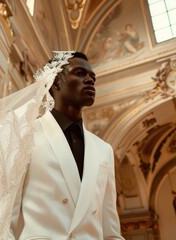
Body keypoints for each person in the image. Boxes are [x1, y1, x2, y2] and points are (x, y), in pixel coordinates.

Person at [9, 52, 124, 239]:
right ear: (55, 82)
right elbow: (6, 221)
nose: (89, 80)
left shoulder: (105, 150)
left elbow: (110, 231)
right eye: (79, 73)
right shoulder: (25, 136)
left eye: (92, 77)